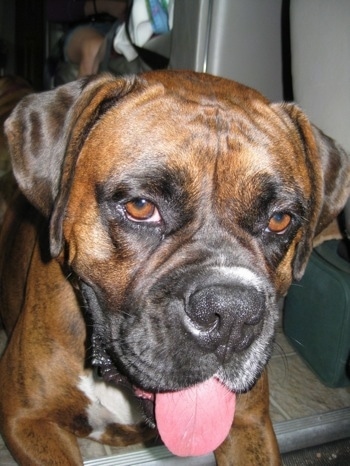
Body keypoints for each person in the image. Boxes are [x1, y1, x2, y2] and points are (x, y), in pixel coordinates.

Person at [47, 0, 127, 77]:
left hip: (126, 26)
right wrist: (104, 5)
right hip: (85, 27)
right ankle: (85, 90)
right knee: (94, 47)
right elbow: (50, 10)